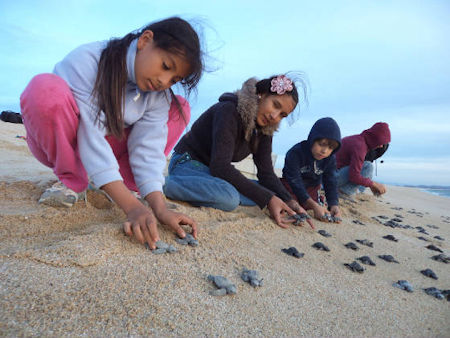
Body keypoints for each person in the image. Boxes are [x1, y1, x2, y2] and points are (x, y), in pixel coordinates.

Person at [19, 17, 204, 250]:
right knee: (44, 89)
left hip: (109, 147)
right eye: (166, 66)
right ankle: (73, 179)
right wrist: (132, 208)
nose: (164, 81)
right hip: (66, 142)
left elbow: (149, 148)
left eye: (174, 79)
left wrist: (159, 207)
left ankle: (123, 186)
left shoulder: (159, 94)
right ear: (145, 41)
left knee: (179, 108)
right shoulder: (88, 60)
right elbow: (89, 133)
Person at [163, 74, 314, 228]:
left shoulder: (264, 130)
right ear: (262, 94)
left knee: (269, 191)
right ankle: (162, 185)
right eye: (275, 105)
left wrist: (289, 201)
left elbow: (266, 174)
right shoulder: (229, 110)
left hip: (211, 174)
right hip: (187, 163)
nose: (274, 116)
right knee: (230, 198)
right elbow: (220, 167)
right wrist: (268, 199)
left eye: (282, 115)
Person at [281, 117, 342, 222]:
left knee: (316, 199)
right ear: (313, 139)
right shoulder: (296, 153)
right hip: (291, 185)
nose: (324, 151)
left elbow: (331, 181)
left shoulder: (330, 159)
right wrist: (313, 205)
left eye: (330, 148)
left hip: (311, 188)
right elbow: (294, 180)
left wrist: (334, 204)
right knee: (288, 200)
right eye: (321, 144)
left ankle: (315, 203)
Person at [336, 122, 391, 197]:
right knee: (368, 166)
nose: (381, 146)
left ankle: (355, 191)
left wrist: (370, 184)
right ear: (375, 138)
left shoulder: (359, 140)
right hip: (328, 178)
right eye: (380, 142)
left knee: (365, 166)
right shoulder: (360, 146)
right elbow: (354, 176)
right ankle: (344, 192)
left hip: (330, 175)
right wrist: (373, 184)